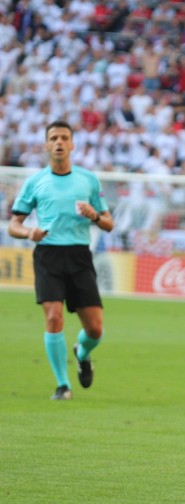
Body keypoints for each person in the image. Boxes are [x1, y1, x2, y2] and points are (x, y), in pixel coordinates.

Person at [7, 120, 114, 400]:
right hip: (48, 254)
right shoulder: (35, 181)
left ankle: (82, 352)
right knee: (53, 318)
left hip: (79, 255)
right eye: (53, 138)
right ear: (46, 145)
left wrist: (94, 216)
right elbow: (13, 225)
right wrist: (29, 231)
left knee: (95, 328)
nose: (59, 142)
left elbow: (109, 223)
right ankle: (63, 385)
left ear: (72, 144)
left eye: (64, 138)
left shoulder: (88, 179)